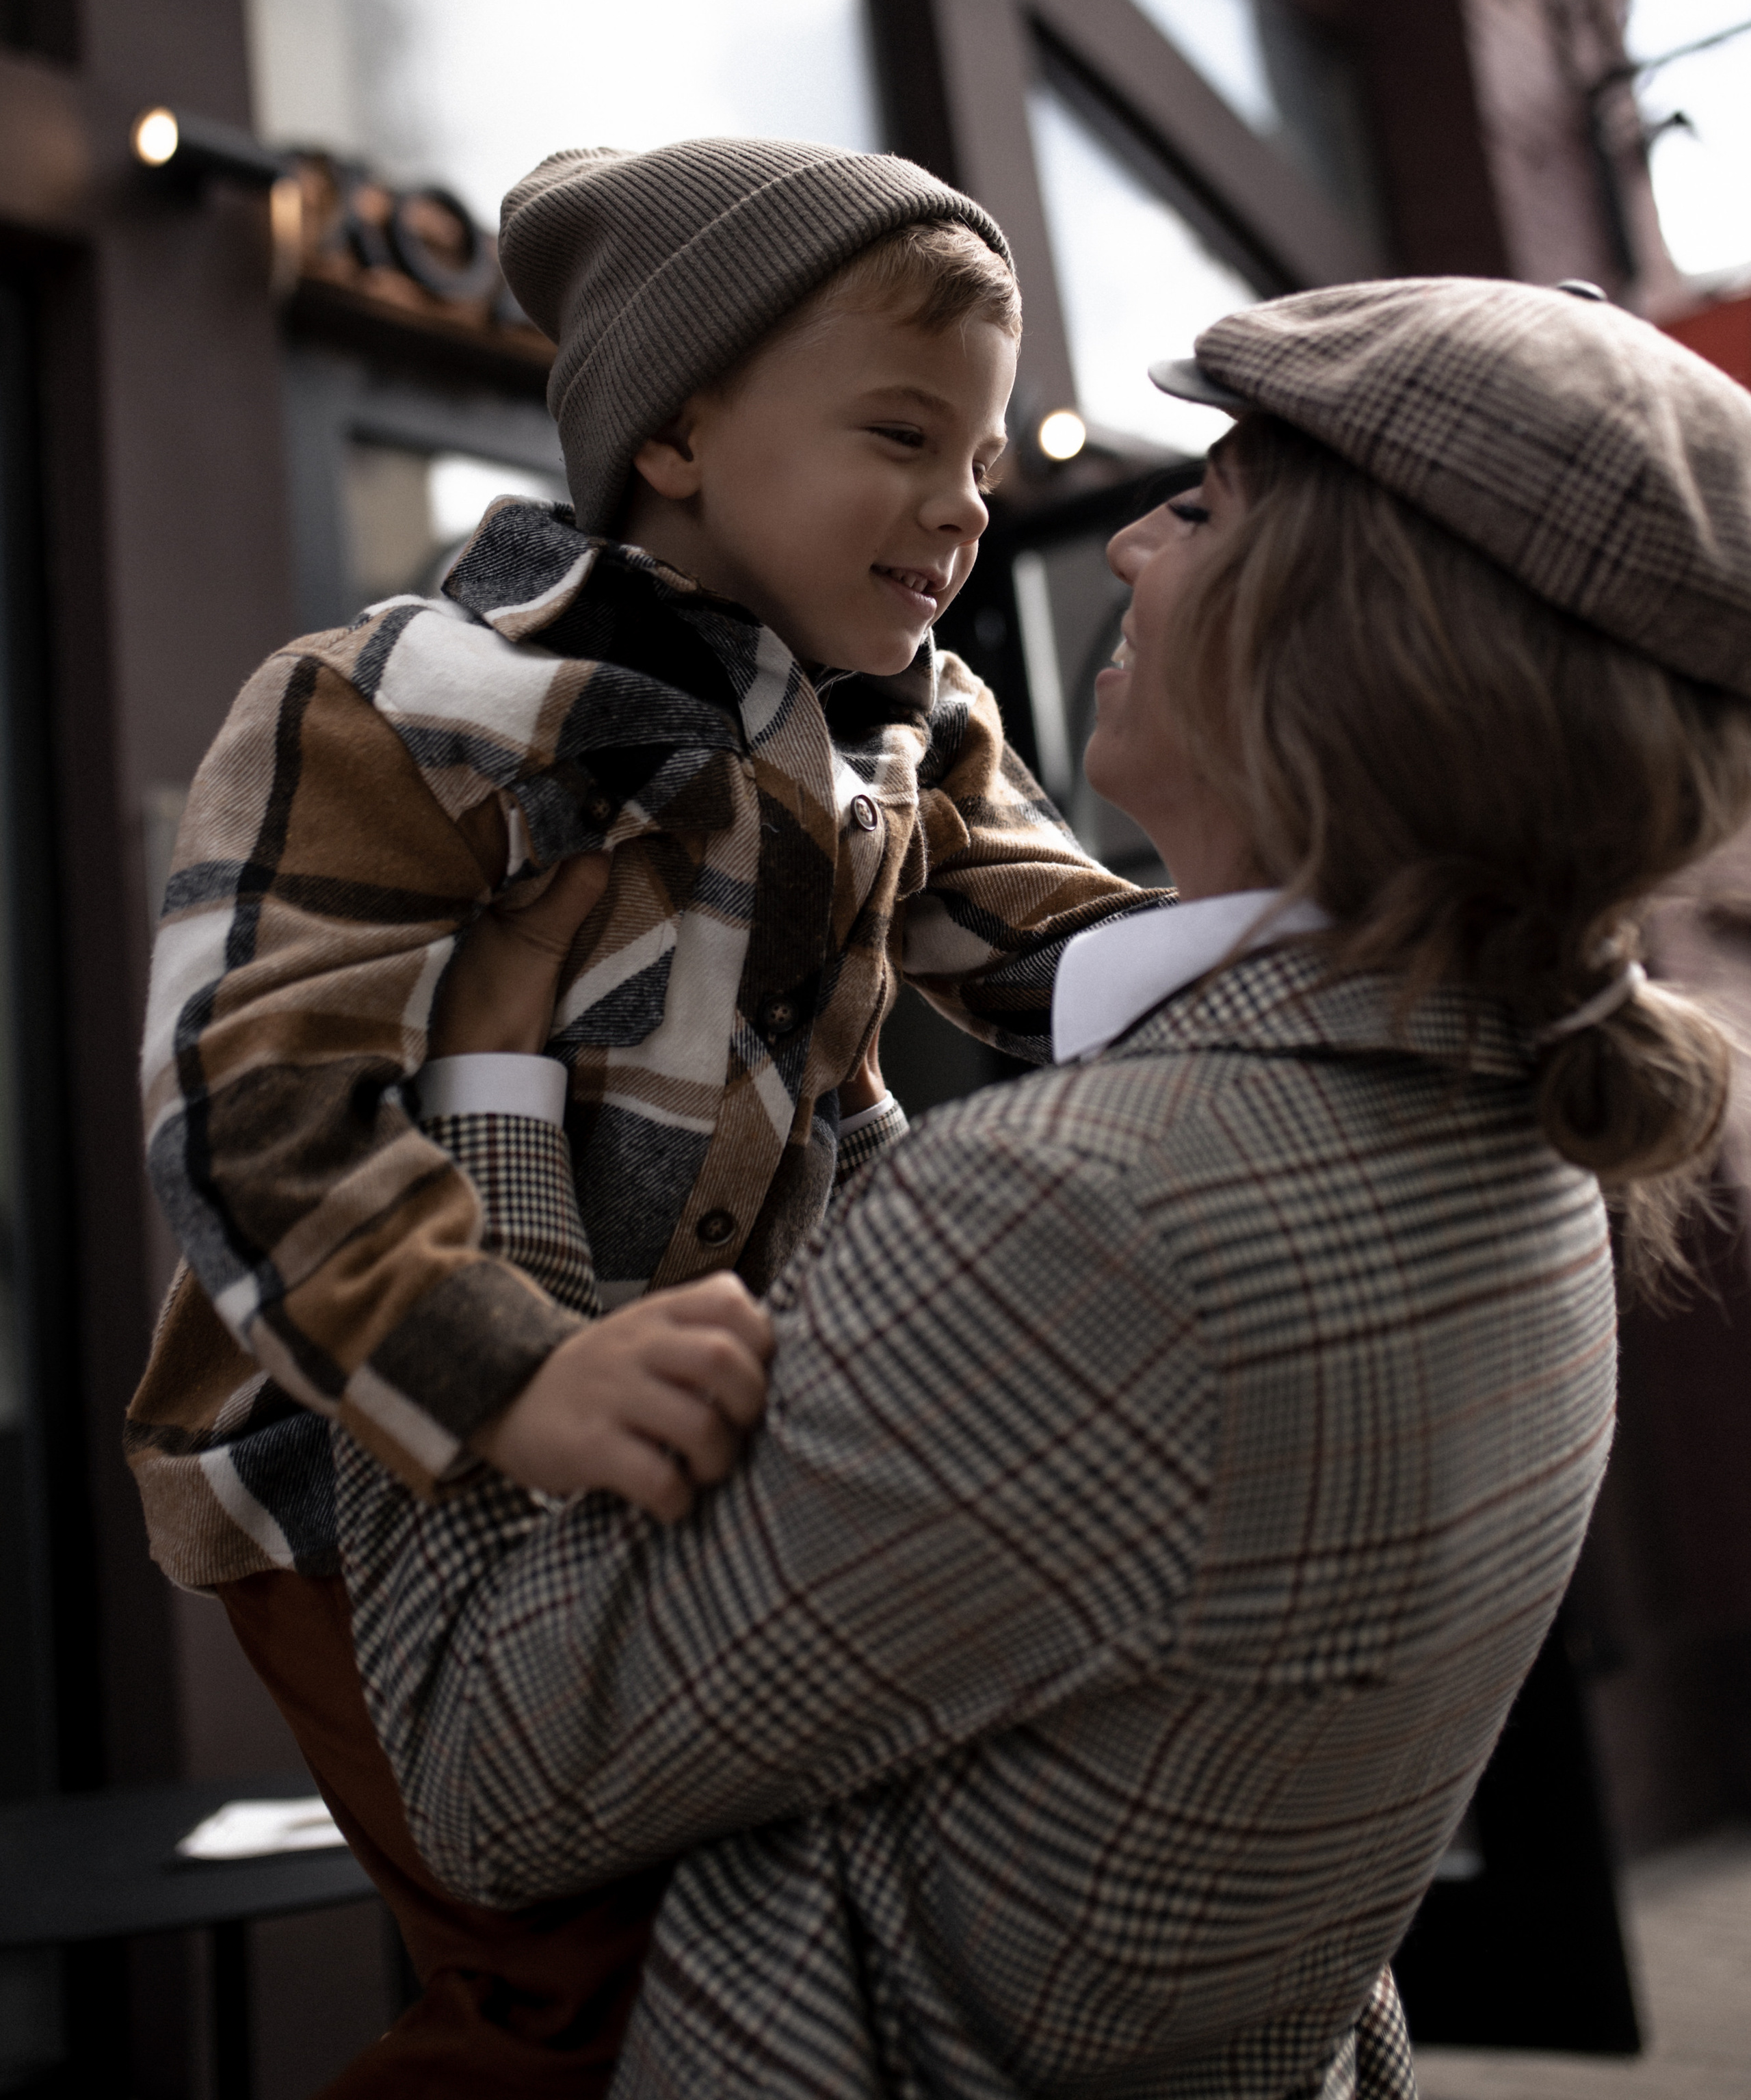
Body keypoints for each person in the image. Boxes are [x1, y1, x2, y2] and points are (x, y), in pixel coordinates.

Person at [340, 276, 1751, 2097]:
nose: (1131, 553)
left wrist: (478, 1113)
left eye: (1205, 506)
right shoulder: (1527, 1147)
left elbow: (495, 1778)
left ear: (1334, 636)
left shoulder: (1098, 1217)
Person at [126, 138, 1162, 2093]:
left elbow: (1060, 956)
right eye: (900, 434)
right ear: (678, 434)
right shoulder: (404, 703)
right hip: (361, 1459)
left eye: (987, 461)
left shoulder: (917, 727)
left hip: (688, 1431)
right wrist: (508, 1373)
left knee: (728, 1938)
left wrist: (1319, 960)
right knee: (560, 1985)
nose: (959, 511)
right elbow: (255, 1102)